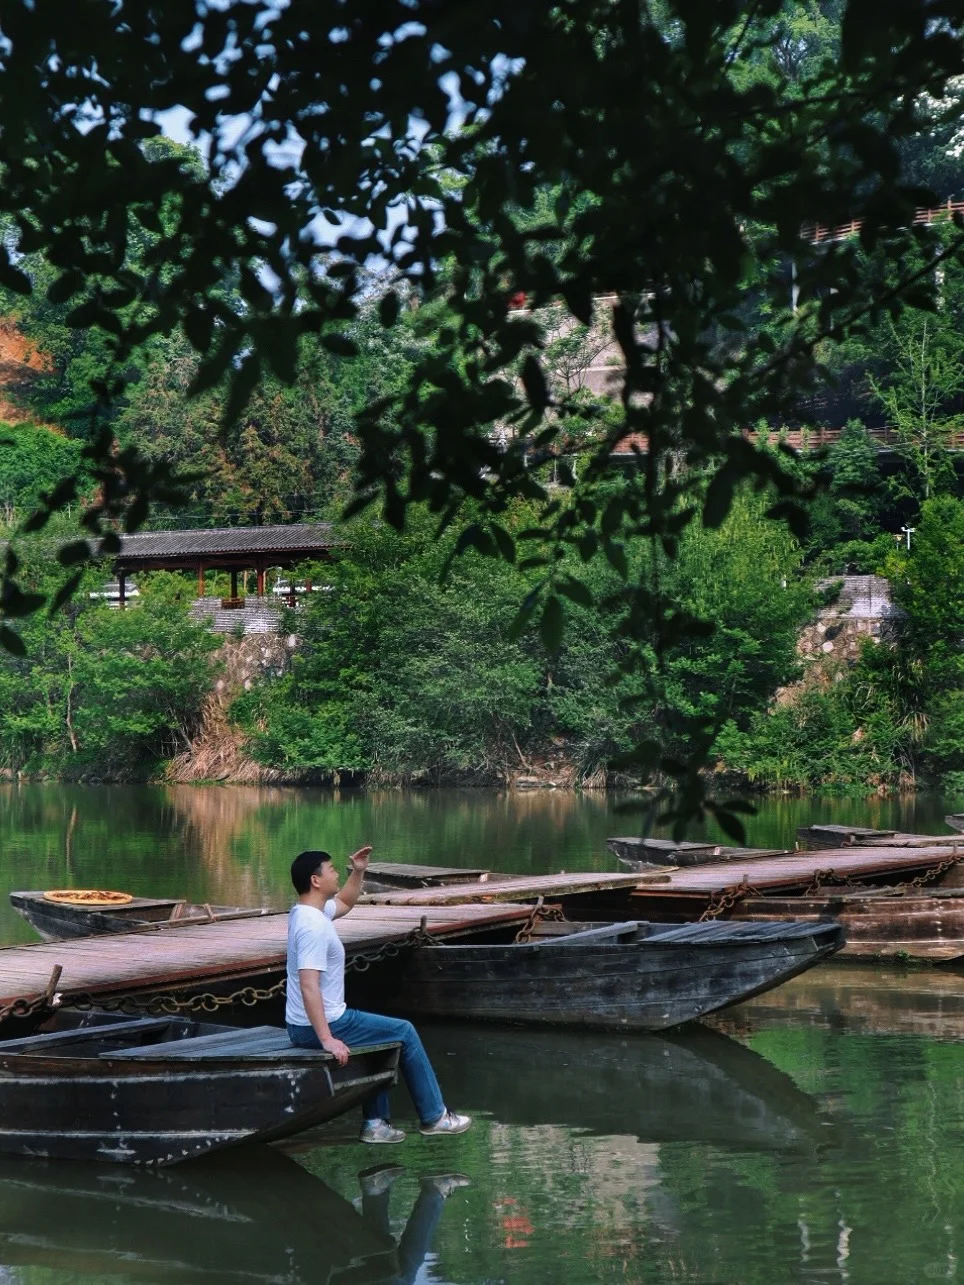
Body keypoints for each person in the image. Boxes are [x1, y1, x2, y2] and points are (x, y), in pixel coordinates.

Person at [285, 847, 472, 1144]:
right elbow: (309, 985)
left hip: (308, 1023)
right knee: (405, 1031)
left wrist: (359, 871)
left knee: (380, 1036)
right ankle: (435, 1117)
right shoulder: (312, 926)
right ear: (315, 880)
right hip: (320, 1024)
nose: (337, 873)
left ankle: (375, 1124)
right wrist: (326, 1039)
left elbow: (345, 901)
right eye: (331, 869)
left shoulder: (310, 912)